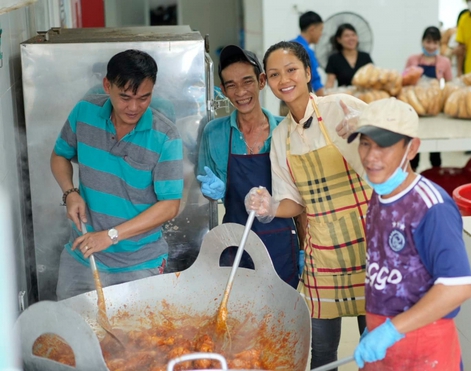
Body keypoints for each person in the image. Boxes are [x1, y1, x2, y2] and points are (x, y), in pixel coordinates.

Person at [246, 41, 370, 370]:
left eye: (291, 70)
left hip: (369, 243)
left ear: (307, 72)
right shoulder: (281, 137)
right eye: (274, 74)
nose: (284, 79)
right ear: (267, 82)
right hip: (323, 253)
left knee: (375, 351)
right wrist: (269, 207)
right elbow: (294, 202)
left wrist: (368, 131)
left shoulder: (341, 106)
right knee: (323, 353)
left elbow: (394, 151)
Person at [348, 98, 471, 370]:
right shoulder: (380, 195)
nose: (371, 157)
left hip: (425, 348)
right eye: (365, 143)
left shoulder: (431, 206)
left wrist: (391, 330)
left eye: (384, 146)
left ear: (412, 148)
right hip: (384, 346)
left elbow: (458, 287)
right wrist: (375, 324)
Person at [51, 50, 183, 300]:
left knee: (138, 339)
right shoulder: (84, 113)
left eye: (144, 98)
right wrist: (70, 192)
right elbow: (59, 156)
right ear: (107, 86)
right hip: (83, 258)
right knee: (70, 335)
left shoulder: (166, 136)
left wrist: (111, 236)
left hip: (139, 265)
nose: (134, 108)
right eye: (125, 97)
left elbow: (170, 206)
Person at [196, 45, 299, 288]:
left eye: (247, 81)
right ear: (223, 90)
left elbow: (300, 201)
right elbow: (204, 188)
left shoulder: (285, 132)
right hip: (235, 246)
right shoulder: (215, 133)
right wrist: (214, 190)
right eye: (231, 85)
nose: (240, 92)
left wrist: (305, 251)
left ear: (261, 81)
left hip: (281, 247)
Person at [405, 26, 452, 171]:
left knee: (435, 146)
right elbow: (404, 82)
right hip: (415, 110)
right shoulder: (413, 60)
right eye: (428, 42)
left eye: (435, 43)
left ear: (439, 44)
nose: (431, 46)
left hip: (433, 111)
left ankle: (436, 172)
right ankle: (413, 172)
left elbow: (450, 86)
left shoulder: (444, 62)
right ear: (422, 41)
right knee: (414, 145)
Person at [325, 23, 373, 88]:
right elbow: (329, 83)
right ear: (339, 40)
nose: (351, 38)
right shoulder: (334, 59)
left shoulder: (365, 57)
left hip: (365, 96)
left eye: (353, 35)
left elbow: (373, 78)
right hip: (345, 96)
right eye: (346, 36)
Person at [293, 11, 325, 96]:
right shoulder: (306, 51)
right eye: (321, 30)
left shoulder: (286, 46)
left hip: (285, 100)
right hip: (301, 103)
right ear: (312, 29)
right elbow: (314, 79)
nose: (321, 34)